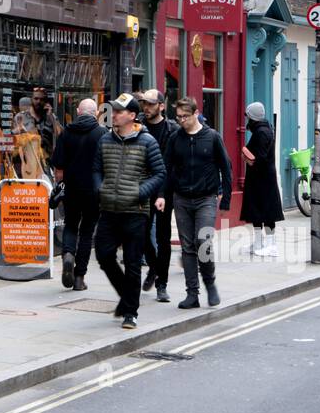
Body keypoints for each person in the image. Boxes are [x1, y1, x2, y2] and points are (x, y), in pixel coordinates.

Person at [91, 94, 166, 329]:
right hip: (109, 209)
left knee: (133, 262)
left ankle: (130, 312)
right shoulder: (105, 140)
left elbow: (160, 173)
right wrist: (99, 188)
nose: (113, 115)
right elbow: (96, 169)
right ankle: (127, 295)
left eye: (119, 112)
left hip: (135, 211)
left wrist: (140, 192)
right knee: (103, 255)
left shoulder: (147, 142)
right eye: (113, 111)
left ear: (132, 116)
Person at [165, 96, 233, 309]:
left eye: (185, 116)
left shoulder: (212, 137)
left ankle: (210, 285)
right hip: (182, 198)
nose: (181, 121)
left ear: (196, 114)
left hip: (206, 198)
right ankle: (192, 294)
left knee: (202, 242)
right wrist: (162, 195)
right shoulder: (176, 138)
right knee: (187, 247)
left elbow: (226, 168)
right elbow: (166, 168)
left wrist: (226, 200)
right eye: (178, 117)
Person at [50, 98, 106, 291]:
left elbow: (58, 166)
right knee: (87, 232)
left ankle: (67, 255)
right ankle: (80, 277)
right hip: (93, 191)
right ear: (96, 113)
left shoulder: (66, 132)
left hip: (72, 189)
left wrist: (60, 185)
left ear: (78, 111)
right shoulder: (102, 134)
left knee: (71, 225)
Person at [138, 90, 175, 301]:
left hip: (164, 190)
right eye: (145, 104)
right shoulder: (137, 127)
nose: (147, 108)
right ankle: (154, 267)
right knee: (142, 235)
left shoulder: (172, 129)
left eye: (151, 104)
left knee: (163, 238)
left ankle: (162, 284)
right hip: (142, 188)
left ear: (161, 106)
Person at [240, 102, 284, 257]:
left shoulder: (262, 132)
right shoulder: (261, 130)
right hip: (258, 177)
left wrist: (249, 158)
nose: (247, 120)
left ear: (253, 117)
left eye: (248, 116)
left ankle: (272, 245)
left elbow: (261, 157)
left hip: (263, 178)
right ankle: (258, 243)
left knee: (267, 212)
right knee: (256, 211)